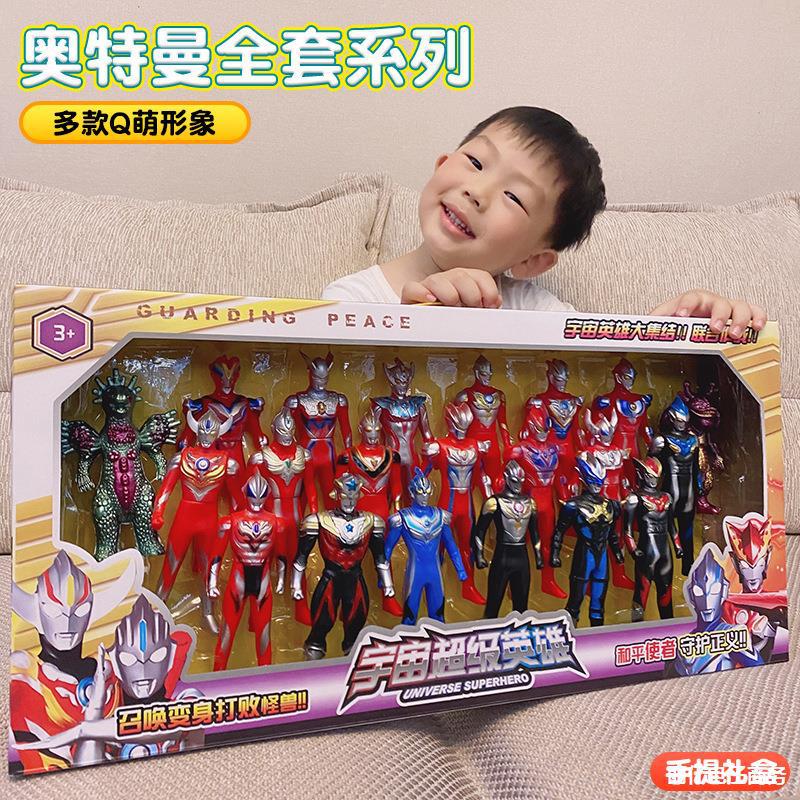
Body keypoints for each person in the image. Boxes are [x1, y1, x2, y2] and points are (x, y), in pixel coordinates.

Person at [322, 106, 765, 334]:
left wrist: (684, 329)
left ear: (533, 261)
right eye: (475, 163)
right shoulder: (349, 300)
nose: (478, 192)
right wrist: (416, 324)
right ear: (441, 165)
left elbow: (607, 372)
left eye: (514, 197)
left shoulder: (538, 315)